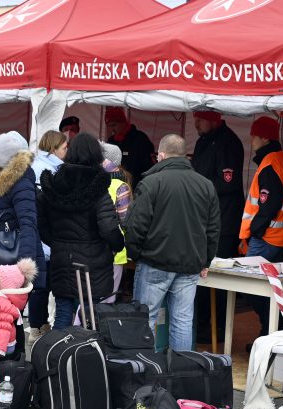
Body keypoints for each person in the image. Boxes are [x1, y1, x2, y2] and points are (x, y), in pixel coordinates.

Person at [124, 134, 220, 352]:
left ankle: (145, 372)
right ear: (185, 156)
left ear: (161, 155)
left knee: (145, 319)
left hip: (154, 261)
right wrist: (205, 260)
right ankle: (181, 375)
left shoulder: (150, 183)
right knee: (182, 322)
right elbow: (213, 229)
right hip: (189, 265)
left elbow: (135, 225)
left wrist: (135, 254)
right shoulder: (206, 185)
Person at [38, 133, 124, 329]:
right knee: (89, 318)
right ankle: (85, 357)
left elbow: (41, 224)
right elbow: (109, 227)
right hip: (92, 262)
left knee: (63, 313)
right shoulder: (99, 188)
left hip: (61, 257)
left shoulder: (53, 185)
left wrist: (58, 242)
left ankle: (58, 357)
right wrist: (117, 245)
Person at [0, 131, 46, 358]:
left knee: (10, 319)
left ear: (4, 162)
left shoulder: (20, 184)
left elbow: (28, 226)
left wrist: (22, 269)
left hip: (12, 268)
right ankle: (2, 368)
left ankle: (14, 371)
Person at [240, 116, 283, 337]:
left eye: (254, 136)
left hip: (268, 238)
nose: (251, 141)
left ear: (264, 138)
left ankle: (271, 330)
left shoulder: (270, 164)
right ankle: (274, 330)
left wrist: (253, 232)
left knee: (249, 287)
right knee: (274, 288)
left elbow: (269, 205)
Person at [190, 110, 245, 344]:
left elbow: (227, 184)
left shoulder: (229, 142)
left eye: (200, 119)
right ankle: (202, 326)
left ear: (214, 119)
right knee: (202, 277)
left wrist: (195, 185)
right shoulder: (204, 140)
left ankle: (221, 328)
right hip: (204, 220)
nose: (196, 123)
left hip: (224, 222)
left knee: (220, 279)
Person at [27, 130, 68, 349]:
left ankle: (38, 326)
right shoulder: (50, 170)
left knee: (40, 285)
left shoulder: (37, 165)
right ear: (53, 148)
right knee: (45, 285)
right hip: (47, 238)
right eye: (64, 148)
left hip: (39, 236)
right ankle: (39, 328)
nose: (66, 152)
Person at [101, 142, 131, 303]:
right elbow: (126, 220)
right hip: (115, 250)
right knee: (108, 299)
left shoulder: (92, 181)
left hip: (92, 248)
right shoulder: (120, 186)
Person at [104, 106, 155, 187]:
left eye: (114, 125)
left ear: (123, 122)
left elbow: (149, 167)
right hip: (115, 188)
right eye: (109, 126)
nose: (112, 129)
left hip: (136, 188)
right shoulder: (111, 142)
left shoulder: (140, 139)